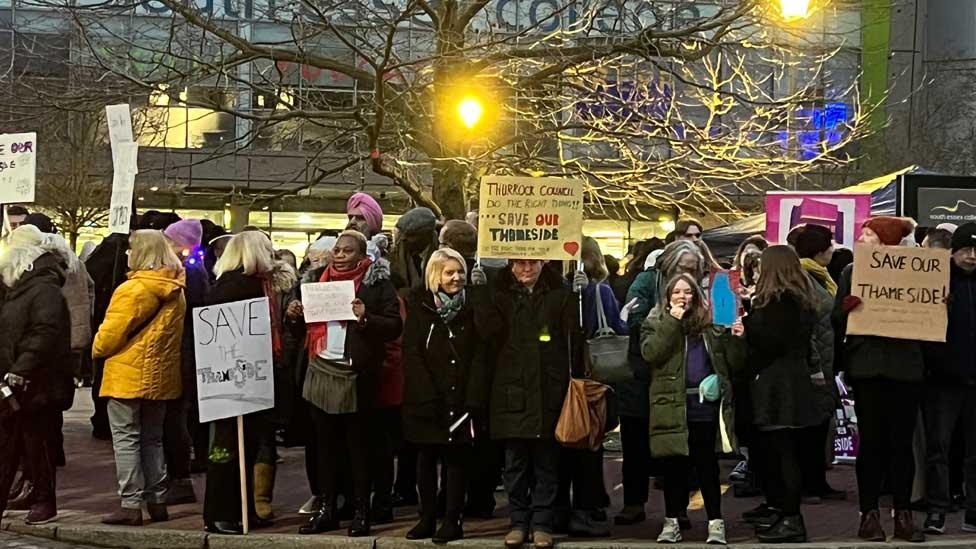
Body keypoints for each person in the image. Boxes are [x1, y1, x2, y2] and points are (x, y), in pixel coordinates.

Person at [295, 230, 402, 537]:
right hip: (320, 368)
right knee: (325, 447)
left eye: (347, 251)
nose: (339, 255)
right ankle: (327, 509)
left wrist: (366, 317)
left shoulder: (376, 283)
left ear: (362, 254)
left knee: (358, 448)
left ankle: (361, 511)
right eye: (337, 250)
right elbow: (299, 328)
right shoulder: (316, 280)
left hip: (356, 374)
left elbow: (394, 326)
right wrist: (294, 314)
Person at [477, 258, 581, 549]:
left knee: (547, 463)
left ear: (543, 262)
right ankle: (519, 521)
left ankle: (542, 523)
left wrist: (580, 296)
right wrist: (479, 292)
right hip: (511, 389)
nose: (525, 270)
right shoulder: (499, 294)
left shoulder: (560, 294)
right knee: (515, 465)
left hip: (549, 389)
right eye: (519, 264)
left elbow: (573, 339)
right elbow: (488, 333)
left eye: (531, 263)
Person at [833, 216, 925, 543]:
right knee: (871, 444)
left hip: (905, 368)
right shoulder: (850, 273)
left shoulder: (917, 272)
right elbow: (836, 321)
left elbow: (929, 316)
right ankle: (869, 515)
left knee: (901, 446)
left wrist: (938, 308)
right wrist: (846, 308)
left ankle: (903, 515)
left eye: (869, 233)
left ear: (886, 241)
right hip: (868, 368)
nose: (862, 237)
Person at [202, 231, 294, 535]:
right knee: (228, 449)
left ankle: (242, 508)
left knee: (249, 445)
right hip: (233, 381)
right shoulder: (234, 287)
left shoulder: (259, 285)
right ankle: (222, 511)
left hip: (254, 377)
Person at [641, 273, 743, 545]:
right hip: (671, 406)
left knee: (707, 466)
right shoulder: (655, 322)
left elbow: (733, 363)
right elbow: (651, 353)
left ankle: (715, 523)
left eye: (687, 292)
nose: (682, 297)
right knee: (673, 468)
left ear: (697, 296)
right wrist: (672, 321)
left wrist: (736, 338)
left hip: (703, 408)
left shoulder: (711, 326)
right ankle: (672, 521)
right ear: (667, 296)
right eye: (676, 292)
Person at [93, 229, 186, 527]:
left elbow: (107, 339)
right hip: (160, 375)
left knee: (126, 438)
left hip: (127, 374)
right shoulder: (176, 288)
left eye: (132, 249)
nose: (127, 254)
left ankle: (130, 503)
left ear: (142, 252)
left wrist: (94, 349)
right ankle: (157, 500)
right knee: (153, 438)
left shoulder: (133, 289)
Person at [614, 240, 706, 526]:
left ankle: (677, 507)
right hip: (641, 374)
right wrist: (665, 323)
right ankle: (633, 501)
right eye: (683, 268)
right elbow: (632, 319)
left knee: (677, 445)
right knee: (636, 440)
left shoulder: (698, 292)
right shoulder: (645, 282)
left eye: (693, 269)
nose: (687, 273)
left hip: (677, 379)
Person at [401, 248, 487, 542]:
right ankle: (426, 517)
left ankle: (453, 519)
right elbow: (411, 353)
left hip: (461, 396)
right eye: (450, 272)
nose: (457, 278)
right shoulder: (419, 306)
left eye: (460, 271)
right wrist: (425, 394)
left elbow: (480, 354)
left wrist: (471, 395)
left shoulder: (474, 307)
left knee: (456, 461)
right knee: (425, 459)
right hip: (426, 398)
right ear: (436, 275)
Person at [743, 245, 821, 543]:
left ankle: (791, 517)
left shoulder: (779, 302)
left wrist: (748, 323)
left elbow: (769, 341)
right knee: (781, 449)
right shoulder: (800, 299)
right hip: (792, 378)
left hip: (777, 381)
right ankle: (783, 511)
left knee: (781, 450)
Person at [0, 225, 74, 526]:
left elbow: (45, 332)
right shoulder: (23, 289)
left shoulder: (43, 289)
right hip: (16, 379)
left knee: (36, 445)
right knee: (8, 445)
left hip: (36, 383)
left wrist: (21, 368)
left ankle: (44, 499)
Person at [923, 223, 976, 534]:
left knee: (973, 451)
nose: (971, 257)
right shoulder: (934, 282)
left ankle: (972, 511)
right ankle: (937, 510)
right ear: (953, 252)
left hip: (971, 379)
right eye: (965, 250)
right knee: (938, 448)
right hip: (943, 379)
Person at [792, 225, 844, 501]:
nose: (833, 250)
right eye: (829, 245)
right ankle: (807, 483)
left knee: (821, 422)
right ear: (818, 250)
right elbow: (807, 324)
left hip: (827, 358)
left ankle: (817, 481)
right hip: (814, 364)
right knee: (810, 425)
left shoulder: (821, 276)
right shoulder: (804, 277)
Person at [160, 219, 210, 503]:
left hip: (184, 351)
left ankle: (180, 479)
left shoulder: (190, 273)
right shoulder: (189, 270)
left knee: (176, 416)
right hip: (183, 349)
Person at [390, 207, 438, 292]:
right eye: (402, 233)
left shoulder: (441, 256)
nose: (403, 239)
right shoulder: (396, 253)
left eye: (410, 235)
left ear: (427, 236)